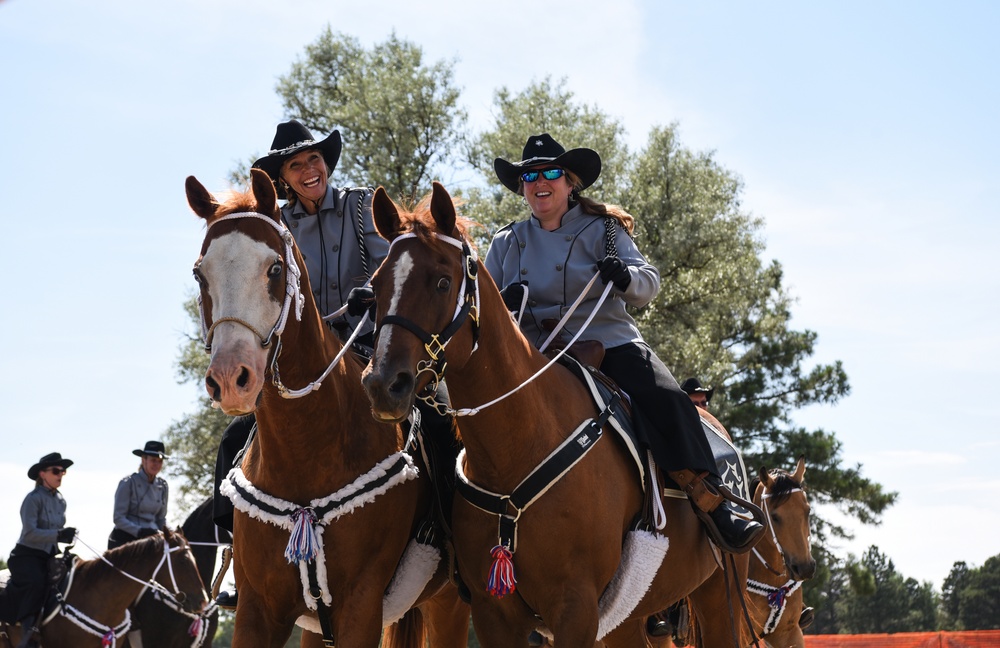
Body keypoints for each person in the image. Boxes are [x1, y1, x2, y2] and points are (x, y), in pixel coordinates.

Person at [211, 119, 457, 609]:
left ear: (327, 164)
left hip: (372, 353)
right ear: (283, 177)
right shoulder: (274, 227)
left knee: (441, 418)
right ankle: (236, 557)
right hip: (303, 368)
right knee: (232, 442)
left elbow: (402, 269)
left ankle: (456, 543)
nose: (308, 170)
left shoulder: (363, 207)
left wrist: (375, 297)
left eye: (314, 160)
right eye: (296, 164)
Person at [485, 133, 764, 555]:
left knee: (667, 398)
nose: (540, 182)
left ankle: (712, 499)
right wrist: (497, 306)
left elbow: (648, 283)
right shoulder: (507, 241)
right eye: (530, 176)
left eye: (551, 173)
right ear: (522, 186)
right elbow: (478, 301)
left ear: (569, 181)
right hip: (533, 355)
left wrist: (625, 277)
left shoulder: (604, 229)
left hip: (606, 343)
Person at [0, 452, 77, 637]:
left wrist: (66, 536)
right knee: (35, 583)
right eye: (56, 471)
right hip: (26, 556)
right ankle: (28, 633)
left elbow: (56, 532)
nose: (60, 475)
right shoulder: (32, 499)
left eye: (63, 471)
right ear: (43, 474)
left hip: (49, 556)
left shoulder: (61, 501)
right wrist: (58, 534)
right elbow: (30, 532)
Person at [108, 441, 169, 549]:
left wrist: (172, 533)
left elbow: (161, 519)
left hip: (153, 540)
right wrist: (140, 531)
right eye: (153, 460)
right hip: (126, 540)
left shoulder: (163, 486)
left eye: (160, 461)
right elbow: (118, 518)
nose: (156, 464)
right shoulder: (128, 483)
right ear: (143, 460)